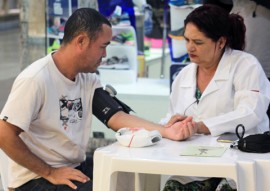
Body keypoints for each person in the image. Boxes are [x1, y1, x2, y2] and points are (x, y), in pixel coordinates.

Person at [0, 8, 196, 191]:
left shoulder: (87, 78)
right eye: (102, 47)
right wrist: (49, 172)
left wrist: (166, 131)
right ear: (81, 41)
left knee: (125, 178)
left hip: (72, 166)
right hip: (34, 179)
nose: (105, 55)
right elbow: (4, 133)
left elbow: (114, 116)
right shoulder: (36, 79)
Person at [161, 4, 270, 191]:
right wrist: (171, 125)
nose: (189, 47)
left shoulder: (246, 65)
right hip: (196, 164)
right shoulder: (183, 75)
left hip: (241, 160)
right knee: (173, 186)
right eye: (187, 40)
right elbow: (171, 114)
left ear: (220, 42)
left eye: (198, 42)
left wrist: (201, 126)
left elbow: (251, 112)